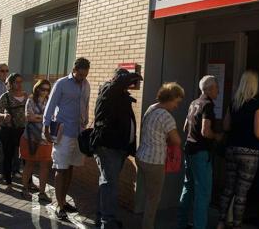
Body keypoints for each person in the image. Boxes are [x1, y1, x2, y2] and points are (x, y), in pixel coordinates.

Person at [92, 68, 142, 229]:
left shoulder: (119, 95)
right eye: (126, 81)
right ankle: (107, 222)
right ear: (117, 78)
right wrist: (129, 76)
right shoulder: (108, 90)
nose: (131, 85)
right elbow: (115, 84)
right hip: (109, 147)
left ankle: (103, 217)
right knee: (110, 184)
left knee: (107, 183)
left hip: (118, 147)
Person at [42, 58, 91, 222]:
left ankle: (63, 201)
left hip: (79, 133)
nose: (82, 78)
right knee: (61, 168)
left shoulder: (86, 85)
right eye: (80, 75)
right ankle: (59, 206)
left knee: (70, 168)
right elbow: (50, 105)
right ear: (74, 69)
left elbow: (86, 105)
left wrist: (86, 122)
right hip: (63, 133)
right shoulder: (61, 83)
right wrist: (46, 127)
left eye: (85, 75)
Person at [217, 71, 259, 229]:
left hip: (232, 149)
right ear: (255, 85)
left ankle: (220, 222)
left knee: (228, 188)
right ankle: (237, 225)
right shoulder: (258, 106)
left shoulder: (234, 103)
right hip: (249, 153)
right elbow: (258, 133)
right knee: (241, 192)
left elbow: (225, 126)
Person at [136, 82, 184, 229]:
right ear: (171, 98)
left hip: (142, 156)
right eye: (177, 102)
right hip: (155, 161)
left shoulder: (152, 108)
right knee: (153, 199)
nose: (177, 106)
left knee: (148, 195)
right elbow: (177, 140)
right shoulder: (166, 117)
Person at [178, 75, 221, 229]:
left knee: (188, 187)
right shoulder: (207, 105)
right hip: (201, 153)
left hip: (189, 150)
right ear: (209, 89)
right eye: (216, 87)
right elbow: (205, 131)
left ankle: (181, 223)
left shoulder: (194, 103)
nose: (218, 90)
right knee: (203, 194)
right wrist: (217, 136)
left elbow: (185, 127)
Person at [21, 79, 53, 202]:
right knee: (29, 164)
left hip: (45, 138)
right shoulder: (30, 99)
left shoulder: (50, 101)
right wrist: (44, 118)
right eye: (42, 89)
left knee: (45, 166)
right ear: (37, 88)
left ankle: (42, 192)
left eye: (47, 89)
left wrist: (39, 117)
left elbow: (52, 117)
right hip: (31, 137)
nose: (45, 92)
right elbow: (29, 117)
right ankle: (24, 189)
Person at [0, 73, 27, 191]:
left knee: (25, 156)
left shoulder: (26, 96)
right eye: (16, 82)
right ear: (11, 83)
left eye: (21, 82)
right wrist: (4, 115)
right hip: (8, 130)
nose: (19, 84)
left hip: (23, 130)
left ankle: (27, 182)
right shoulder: (5, 96)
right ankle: (8, 182)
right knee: (8, 155)